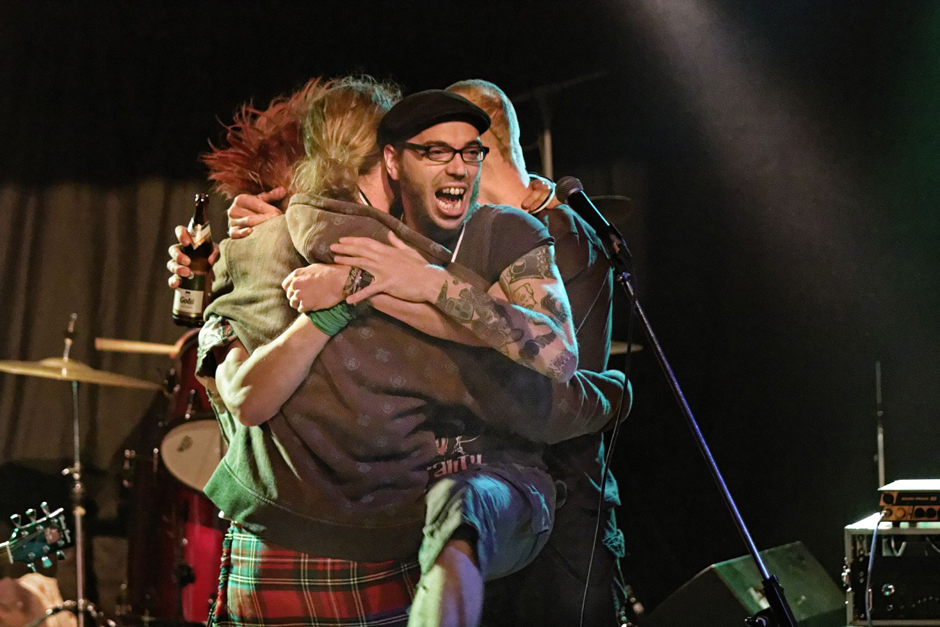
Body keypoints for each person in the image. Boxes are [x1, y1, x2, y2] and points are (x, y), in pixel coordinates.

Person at [183, 81, 626, 627]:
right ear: (391, 161)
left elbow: (553, 356)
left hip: (307, 541)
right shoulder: (362, 243)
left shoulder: (499, 234)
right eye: (432, 151)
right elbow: (539, 386)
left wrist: (403, 282)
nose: (452, 168)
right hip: (366, 545)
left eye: (466, 151)